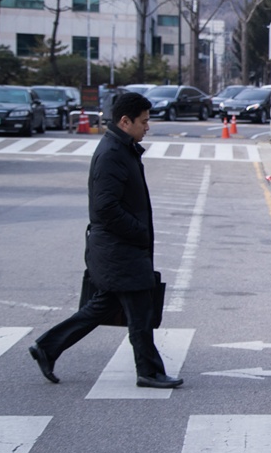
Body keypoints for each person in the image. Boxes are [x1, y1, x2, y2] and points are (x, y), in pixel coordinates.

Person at [28, 92, 183, 389]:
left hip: (120, 248)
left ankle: (47, 347)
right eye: (143, 121)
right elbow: (105, 208)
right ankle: (149, 372)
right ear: (125, 122)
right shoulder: (112, 153)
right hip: (119, 248)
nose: (147, 127)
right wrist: (139, 231)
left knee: (103, 307)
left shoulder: (122, 148)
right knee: (140, 312)